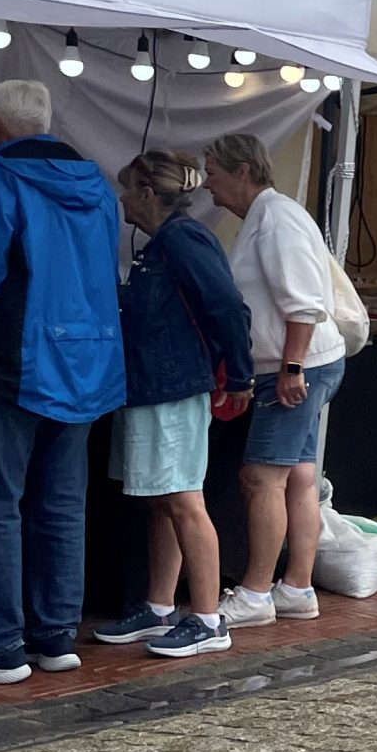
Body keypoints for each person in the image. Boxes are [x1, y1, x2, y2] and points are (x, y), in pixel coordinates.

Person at [0, 83, 127, 684]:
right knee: (62, 505)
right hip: (88, 359)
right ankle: (55, 636)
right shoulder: (97, 187)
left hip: (17, 357)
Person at [91, 151, 254, 661]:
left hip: (172, 386)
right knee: (162, 498)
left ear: (146, 193)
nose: (121, 199)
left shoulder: (181, 239)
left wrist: (242, 371)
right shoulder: (165, 243)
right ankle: (160, 606)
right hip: (152, 384)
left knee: (183, 499)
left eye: (127, 188)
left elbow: (227, 305)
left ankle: (207, 618)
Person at [203, 131, 343, 629]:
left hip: (291, 365)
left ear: (243, 171)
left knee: (262, 477)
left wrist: (291, 367)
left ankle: (257, 593)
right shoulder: (269, 216)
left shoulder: (276, 218)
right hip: (302, 361)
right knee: (298, 477)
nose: (209, 187)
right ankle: (296, 588)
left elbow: (303, 300)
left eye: (214, 174)